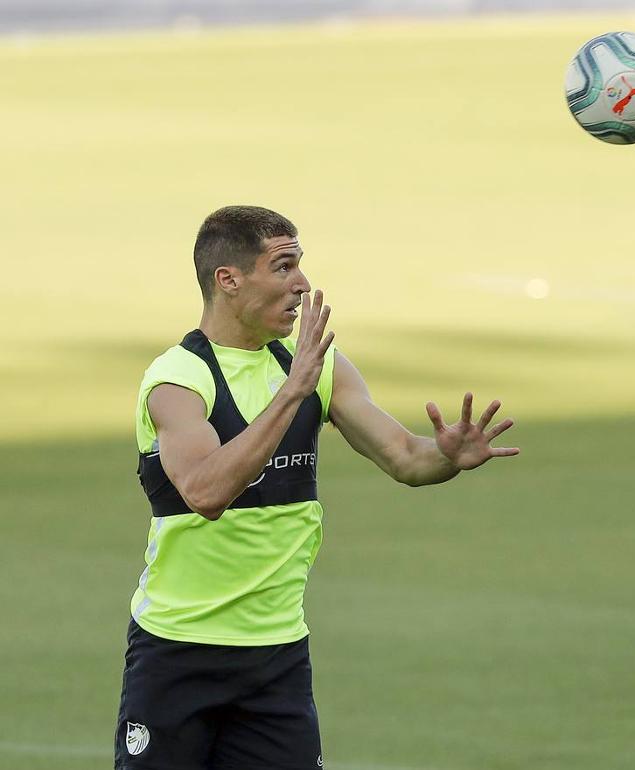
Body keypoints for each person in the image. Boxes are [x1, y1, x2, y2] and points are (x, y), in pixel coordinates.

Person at [116, 205, 519, 768]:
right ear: (227, 280)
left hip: (276, 657)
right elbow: (205, 494)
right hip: (179, 653)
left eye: (300, 265)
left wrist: (447, 456)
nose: (302, 284)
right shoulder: (179, 380)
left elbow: (405, 458)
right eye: (282, 268)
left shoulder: (316, 366)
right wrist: (291, 392)